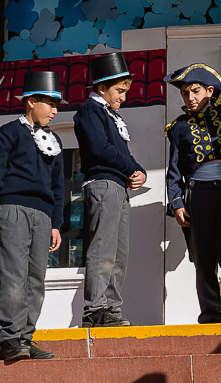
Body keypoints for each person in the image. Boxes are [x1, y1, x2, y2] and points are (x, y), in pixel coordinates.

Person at [0, 71, 65, 361]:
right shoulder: (7, 133)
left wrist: (56, 224)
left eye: (57, 106)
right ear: (31, 102)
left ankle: (26, 339)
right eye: (50, 104)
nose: (54, 111)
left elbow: (58, 186)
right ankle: (10, 339)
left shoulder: (54, 141)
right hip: (12, 211)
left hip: (43, 216)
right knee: (14, 275)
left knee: (36, 279)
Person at [164, 63, 221, 323]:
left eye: (195, 91)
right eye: (185, 93)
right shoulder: (179, 127)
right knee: (203, 256)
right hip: (198, 195)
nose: (190, 97)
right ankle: (210, 313)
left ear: (209, 91)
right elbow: (174, 171)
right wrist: (176, 202)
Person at [74, 52, 146, 327]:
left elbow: (120, 152)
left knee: (119, 253)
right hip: (103, 184)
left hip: (117, 186)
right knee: (103, 249)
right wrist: (131, 169)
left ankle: (111, 307)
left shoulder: (109, 114)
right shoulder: (90, 111)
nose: (123, 98)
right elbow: (101, 149)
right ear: (102, 88)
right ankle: (95, 308)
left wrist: (136, 170)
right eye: (119, 91)